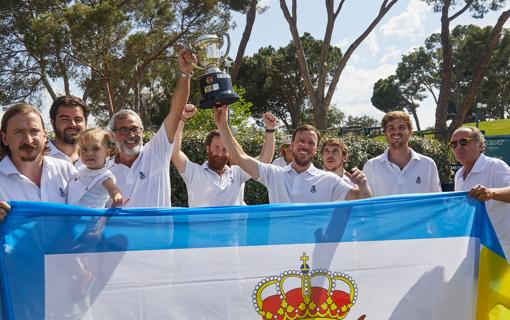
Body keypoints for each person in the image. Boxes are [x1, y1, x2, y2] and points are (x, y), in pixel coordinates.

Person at [213, 105, 372, 203]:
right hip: (279, 252)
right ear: (292, 145)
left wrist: (363, 185)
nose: (305, 146)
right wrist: (222, 125)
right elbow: (240, 158)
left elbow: (362, 199)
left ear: (316, 150)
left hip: (315, 254)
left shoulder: (329, 180)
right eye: (301, 141)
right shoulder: (274, 174)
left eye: (311, 143)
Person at [106, 48, 195, 207]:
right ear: (112, 136)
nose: (131, 134)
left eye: (135, 129)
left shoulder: (156, 152)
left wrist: (185, 74)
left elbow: (175, 113)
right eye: (124, 130)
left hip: (158, 233)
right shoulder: (104, 169)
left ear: (142, 131)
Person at [171, 104, 276, 207]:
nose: (220, 153)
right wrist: (182, 118)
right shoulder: (193, 173)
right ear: (208, 149)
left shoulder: (237, 173)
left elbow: (264, 161)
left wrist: (270, 129)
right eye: (217, 148)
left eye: (225, 149)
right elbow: (175, 153)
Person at [0, 103, 77, 216]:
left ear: (45, 136)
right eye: (19, 132)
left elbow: (89, 210)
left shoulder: (65, 169)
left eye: (34, 131)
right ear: (5, 138)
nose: (28, 140)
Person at [450, 126, 510, 260]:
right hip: (471, 249)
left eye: (464, 142)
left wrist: (491, 193)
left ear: (481, 145)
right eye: (453, 144)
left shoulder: (495, 166)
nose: (458, 147)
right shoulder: (458, 175)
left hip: (500, 249)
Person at [363, 111, 441, 197]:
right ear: (385, 133)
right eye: (391, 128)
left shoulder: (428, 164)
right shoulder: (371, 166)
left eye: (401, 127)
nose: (396, 132)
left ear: (410, 131)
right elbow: (367, 204)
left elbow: (437, 201)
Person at [68, 128, 124, 208]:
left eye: (95, 148)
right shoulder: (80, 169)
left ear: (107, 153)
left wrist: (117, 196)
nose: (89, 153)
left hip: (92, 218)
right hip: (73, 216)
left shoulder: (104, 177)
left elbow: (114, 190)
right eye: (84, 149)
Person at [48, 95, 89, 167]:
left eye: (78, 120)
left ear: (85, 123)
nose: (72, 124)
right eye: (65, 119)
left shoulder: (96, 158)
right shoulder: (39, 156)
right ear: (52, 123)